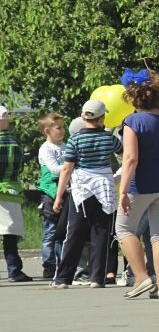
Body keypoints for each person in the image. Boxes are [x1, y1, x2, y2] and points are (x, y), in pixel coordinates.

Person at [118, 69, 159, 300]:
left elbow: (130, 159)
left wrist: (123, 190)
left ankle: (141, 276)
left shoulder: (132, 121)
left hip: (140, 184)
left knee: (124, 229)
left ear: (134, 98)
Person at [51, 100, 122, 288]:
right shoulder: (109, 138)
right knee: (101, 234)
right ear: (102, 118)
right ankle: (97, 278)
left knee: (74, 233)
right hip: (105, 188)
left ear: (83, 117)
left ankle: (63, 278)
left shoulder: (75, 139)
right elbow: (124, 153)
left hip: (82, 190)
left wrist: (59, 196)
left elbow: (67, 168)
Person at [0, 105, 31, 283]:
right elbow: (20, 167)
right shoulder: (15, 142)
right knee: (9, 235)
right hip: (11, 191)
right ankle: (14, 271)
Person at [37, 112, 66, 281]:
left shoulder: (65, 146)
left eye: (63, 127)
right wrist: (70, 165)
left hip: (64, 192)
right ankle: (49, 265)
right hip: (50, 193)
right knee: (51, 231)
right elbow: (55, 169)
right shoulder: (46, 148)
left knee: (63, 231)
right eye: (58, 128)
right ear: (47, 131)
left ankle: (63, 262)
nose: (62, 131)